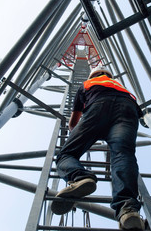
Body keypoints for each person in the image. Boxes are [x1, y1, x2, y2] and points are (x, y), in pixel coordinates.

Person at [51, 66, 145, 230]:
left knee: (65, 154)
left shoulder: (88, 83)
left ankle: (81, 178)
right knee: (123, 155)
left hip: (98, 106)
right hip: (128, 108)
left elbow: (74, 123)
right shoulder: (120, 85)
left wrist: (82, 134)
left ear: (92, 74)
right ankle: (127, 210)